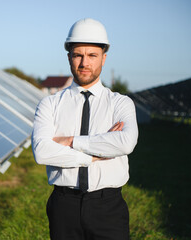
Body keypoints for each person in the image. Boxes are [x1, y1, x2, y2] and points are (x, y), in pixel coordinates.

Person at [31, 18, 138, 240]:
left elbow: (125, 143)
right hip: (64, 206)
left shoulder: (120, 103)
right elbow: (42, 152)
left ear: (104, 58)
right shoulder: (49, 104)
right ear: (69, 56)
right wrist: (97, 155)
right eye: (78, 54)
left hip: (108, 207)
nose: (84, 63)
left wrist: (70, 141)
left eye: (92, 55)